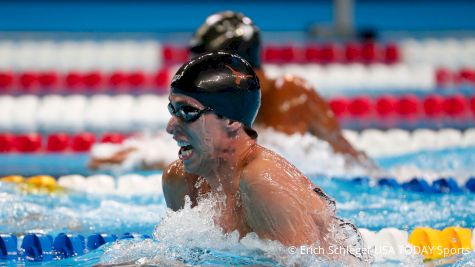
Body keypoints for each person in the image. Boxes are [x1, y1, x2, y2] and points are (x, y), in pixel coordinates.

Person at [89, 11, 374, 171]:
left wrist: (150, 159)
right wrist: (141, 149)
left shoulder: (291, 96)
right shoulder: (222, 105)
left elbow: (257, 160)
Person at [162, 52, 370, 263]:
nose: (170, 126)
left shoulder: (262, 182)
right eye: (172, 109)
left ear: (231, 120)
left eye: (187, 111)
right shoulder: (180, 181)